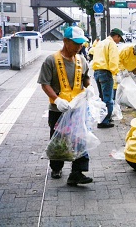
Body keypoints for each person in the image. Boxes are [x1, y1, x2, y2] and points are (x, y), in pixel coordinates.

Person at [37, 26, 93, 185]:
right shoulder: (51, 60)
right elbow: (44, 84)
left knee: (79, 138)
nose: (79, 47)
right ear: (65, 41)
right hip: (58, 109)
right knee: (58, 140)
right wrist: (57, 100)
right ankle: (56, 167)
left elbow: (86, 78)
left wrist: (89, 88)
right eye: (76, 43)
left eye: (81, 44)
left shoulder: (81, 60)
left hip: (77, 108)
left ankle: (77, 172)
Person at [92, 28, 124, 128]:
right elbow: (113, 61)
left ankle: (101, 118)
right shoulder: (112, 44)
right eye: (119, 38)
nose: (119, 41)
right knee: (108, 99)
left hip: (97, 72)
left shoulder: (100, 43)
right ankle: (104, 121)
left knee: (102, 98)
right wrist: (116, 73)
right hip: (106, 73)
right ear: (116, 36)